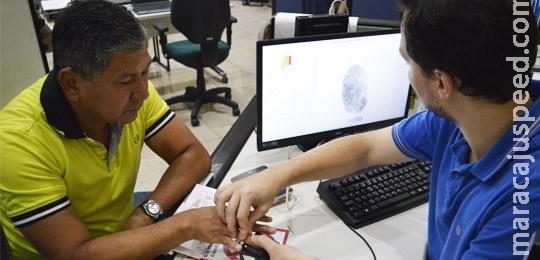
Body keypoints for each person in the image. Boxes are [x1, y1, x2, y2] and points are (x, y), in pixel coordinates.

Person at [214, 0, 540, 258]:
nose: (406, 73)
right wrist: (276, 175)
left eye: (408, 61)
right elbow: (367, 148)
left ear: (443, 83)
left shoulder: (523, 200)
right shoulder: (464, 115)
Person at [0, 0, 273, 258]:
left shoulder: (133, 94)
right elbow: (75, 254)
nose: (142, 93)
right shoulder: (17, 143)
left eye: (144, 72)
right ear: (72, 83)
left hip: (124, 225)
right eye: (127, 80)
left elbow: (193, 155)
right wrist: (185, 225)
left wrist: (145, 214)